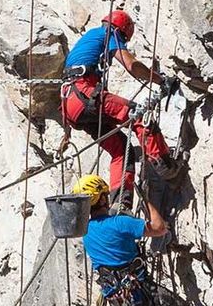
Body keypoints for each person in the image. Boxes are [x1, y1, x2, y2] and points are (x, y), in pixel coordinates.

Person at [76, 174, 213, 306]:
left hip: (118, 300)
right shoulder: (119, 223)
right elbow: (159, 228)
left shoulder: (85, 232)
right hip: (141, 291)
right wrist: (148, 201)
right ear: (101, 198)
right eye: (105, 195)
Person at [62, 10, 170, 190]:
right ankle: (166, 166)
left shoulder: (90, 37)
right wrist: (160, 80)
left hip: (71, 105)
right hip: (84, 95)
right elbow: (131, 65)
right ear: (122, 31)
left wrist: (67, 134)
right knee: (139, 116)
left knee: (121, 149)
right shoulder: (110, 33)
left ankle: (119, 205)